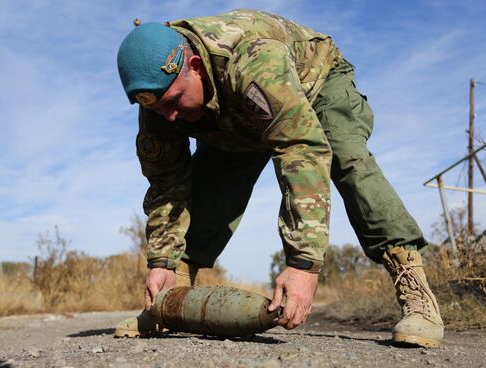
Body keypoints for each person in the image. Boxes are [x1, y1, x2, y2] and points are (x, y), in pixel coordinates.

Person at [114, 9, 443, 348]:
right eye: (157, 109)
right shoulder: (157, 97)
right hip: (236, 115)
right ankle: (172, 302)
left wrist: (303, 264)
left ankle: (415, 292)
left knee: (347, 158)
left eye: (174, 101)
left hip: (315, 84)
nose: (169, 116)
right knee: (209, 190)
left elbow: (300, 148)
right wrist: (161, 262)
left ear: (195, 66)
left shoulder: (253, 61)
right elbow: (167, 184)